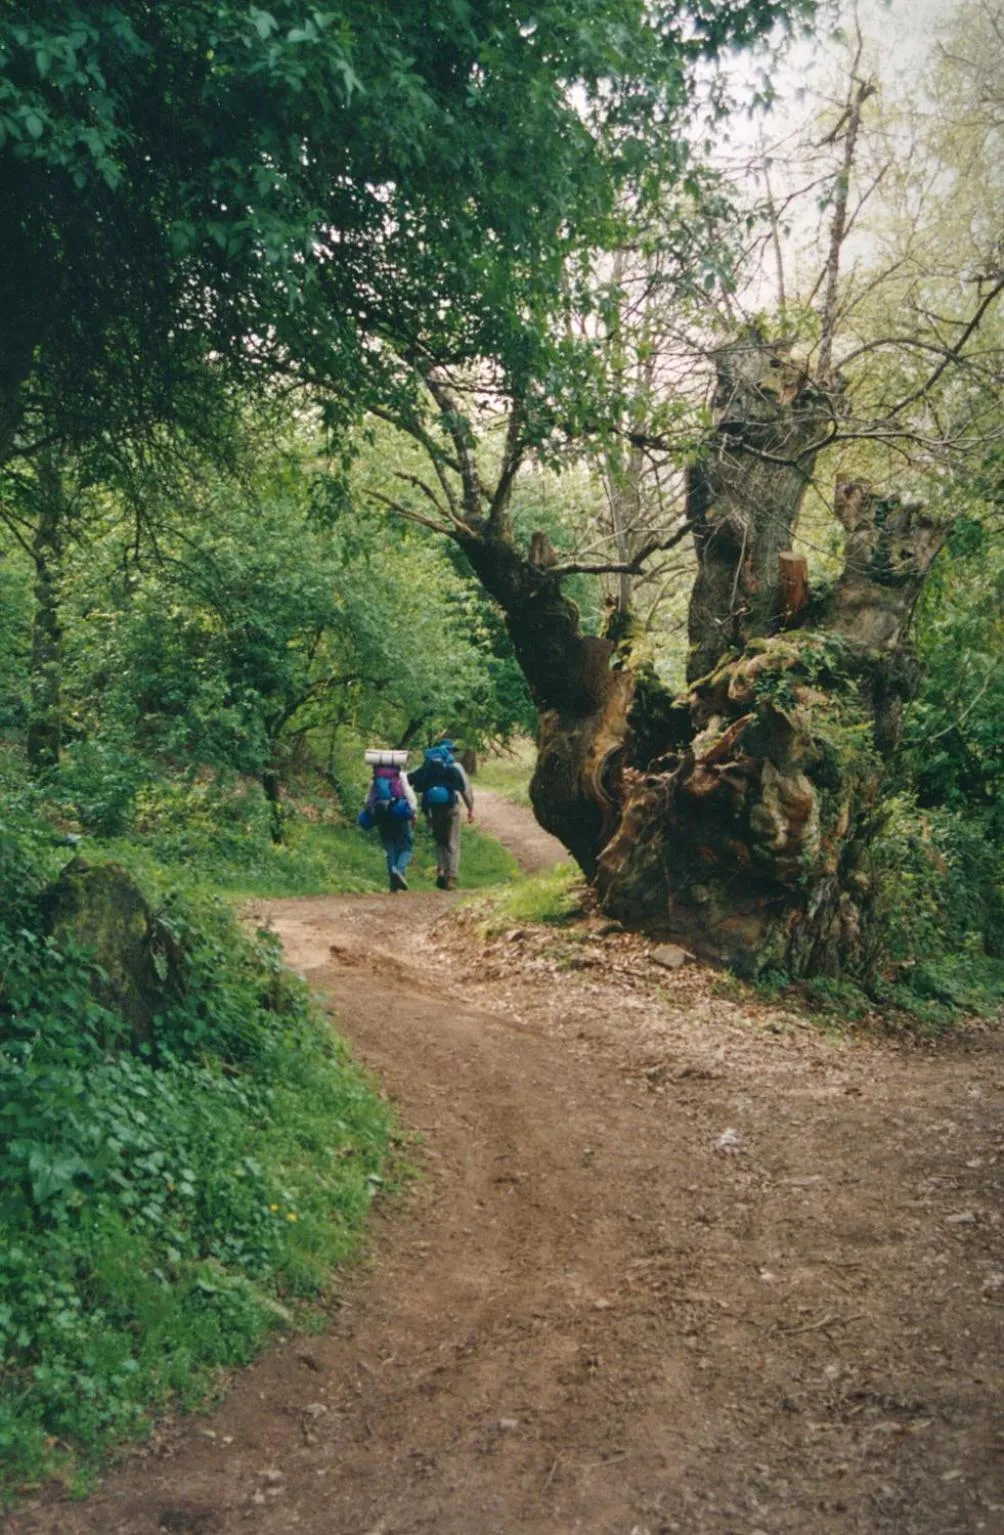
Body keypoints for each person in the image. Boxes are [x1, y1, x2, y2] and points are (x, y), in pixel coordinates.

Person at [409, 739, 474, 890]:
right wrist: (470, 809)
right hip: (452, 806)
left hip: (434, 808)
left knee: (440, 841)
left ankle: (441, 870)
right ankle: (450, 877)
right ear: (450, 751)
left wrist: (425, 813)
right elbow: (464, 789)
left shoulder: (429, 766)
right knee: (453, 841)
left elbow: (415, 780)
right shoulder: (455, 766)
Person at [359, 760, 418, 892]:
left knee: (389, 846)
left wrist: (373, 813)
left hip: (382, 815)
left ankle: (393, 885)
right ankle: (399, 870)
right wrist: (413, 812)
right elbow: (409, 795)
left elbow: (368, 800)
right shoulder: (400, 776)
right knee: (405, 845)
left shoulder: (376, 778)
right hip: (399, 813)